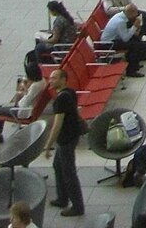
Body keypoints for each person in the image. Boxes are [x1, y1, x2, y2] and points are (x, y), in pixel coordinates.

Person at [42, 68, 85, 217]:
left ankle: (78, 207)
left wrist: (48, 145)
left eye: (54, 78)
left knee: (69, 173)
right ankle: (62, 198)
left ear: (63, 80)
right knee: (58, 165)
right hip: (72, 136)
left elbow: (57, 124)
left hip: (66, 139)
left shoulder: (61, 99)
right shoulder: (70, 92)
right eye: (50, 78)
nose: (50, 81)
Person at [0, 57, 46, 145]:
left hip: (22, 111)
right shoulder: (42, 81)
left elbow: (25, 101)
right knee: (0, 108)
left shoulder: (35, 86)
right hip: (29, 108)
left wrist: (21, 94)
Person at [101, 3, 146, 78]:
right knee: (133, 46)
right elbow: (125, 38)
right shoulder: (120, 21)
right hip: (108, 44)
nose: (136, 16)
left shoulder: (120, 16)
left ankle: (135, 64)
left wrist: (134, 31)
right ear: (130, 14)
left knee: (136, 39)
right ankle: (131, 71)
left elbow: (124, 33)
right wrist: (134, 26)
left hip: (115, 39)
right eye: (135, 14)